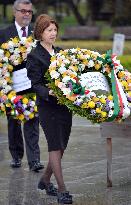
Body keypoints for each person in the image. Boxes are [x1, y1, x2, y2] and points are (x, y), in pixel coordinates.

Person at [26, 14, 73, 204]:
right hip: (48, 107)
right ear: (40, 32)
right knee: (54, 144)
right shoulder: (34, 56)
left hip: (64, 107)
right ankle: (62, 189)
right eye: (49, 30)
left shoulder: (60, 52)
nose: (53, 34)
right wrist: (49, 93)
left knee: (62, 146)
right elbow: (35, 84)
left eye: (55, 30)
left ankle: (45, 180)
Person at [0, 0, 44, 172]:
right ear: (14, 12)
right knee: (14, 121)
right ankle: (16, 156)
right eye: (23, 11)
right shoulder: (4, 34)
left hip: (32, 84)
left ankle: (34, 160)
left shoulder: (36, 33)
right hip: (12, 86)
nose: (27, 14)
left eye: (29, 12)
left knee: (33, 119)